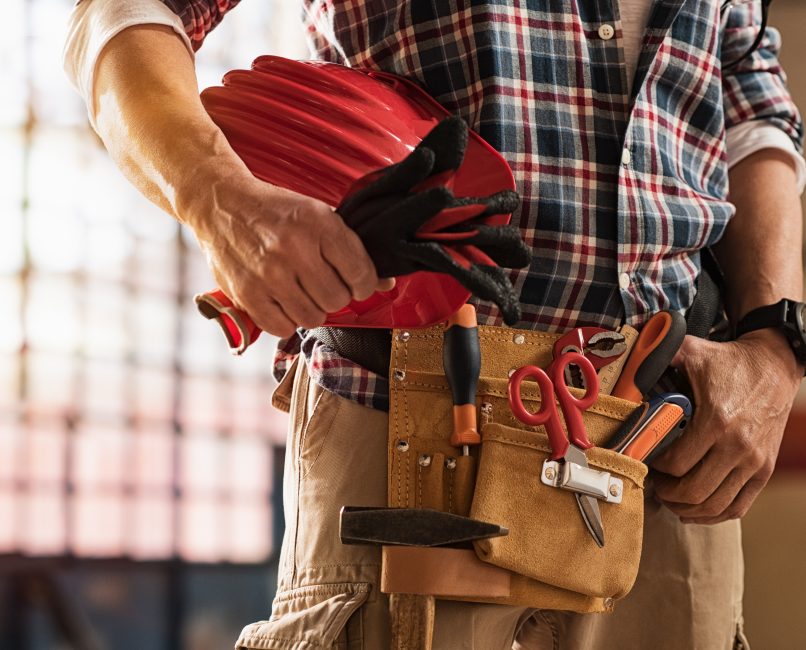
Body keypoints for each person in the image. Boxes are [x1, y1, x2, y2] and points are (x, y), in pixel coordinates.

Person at [64, 0, 805, 648]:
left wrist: (777, 344)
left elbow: (746, 98)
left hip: (668, 457)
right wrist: (220, 201)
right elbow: (119, 12)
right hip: (405, 435)